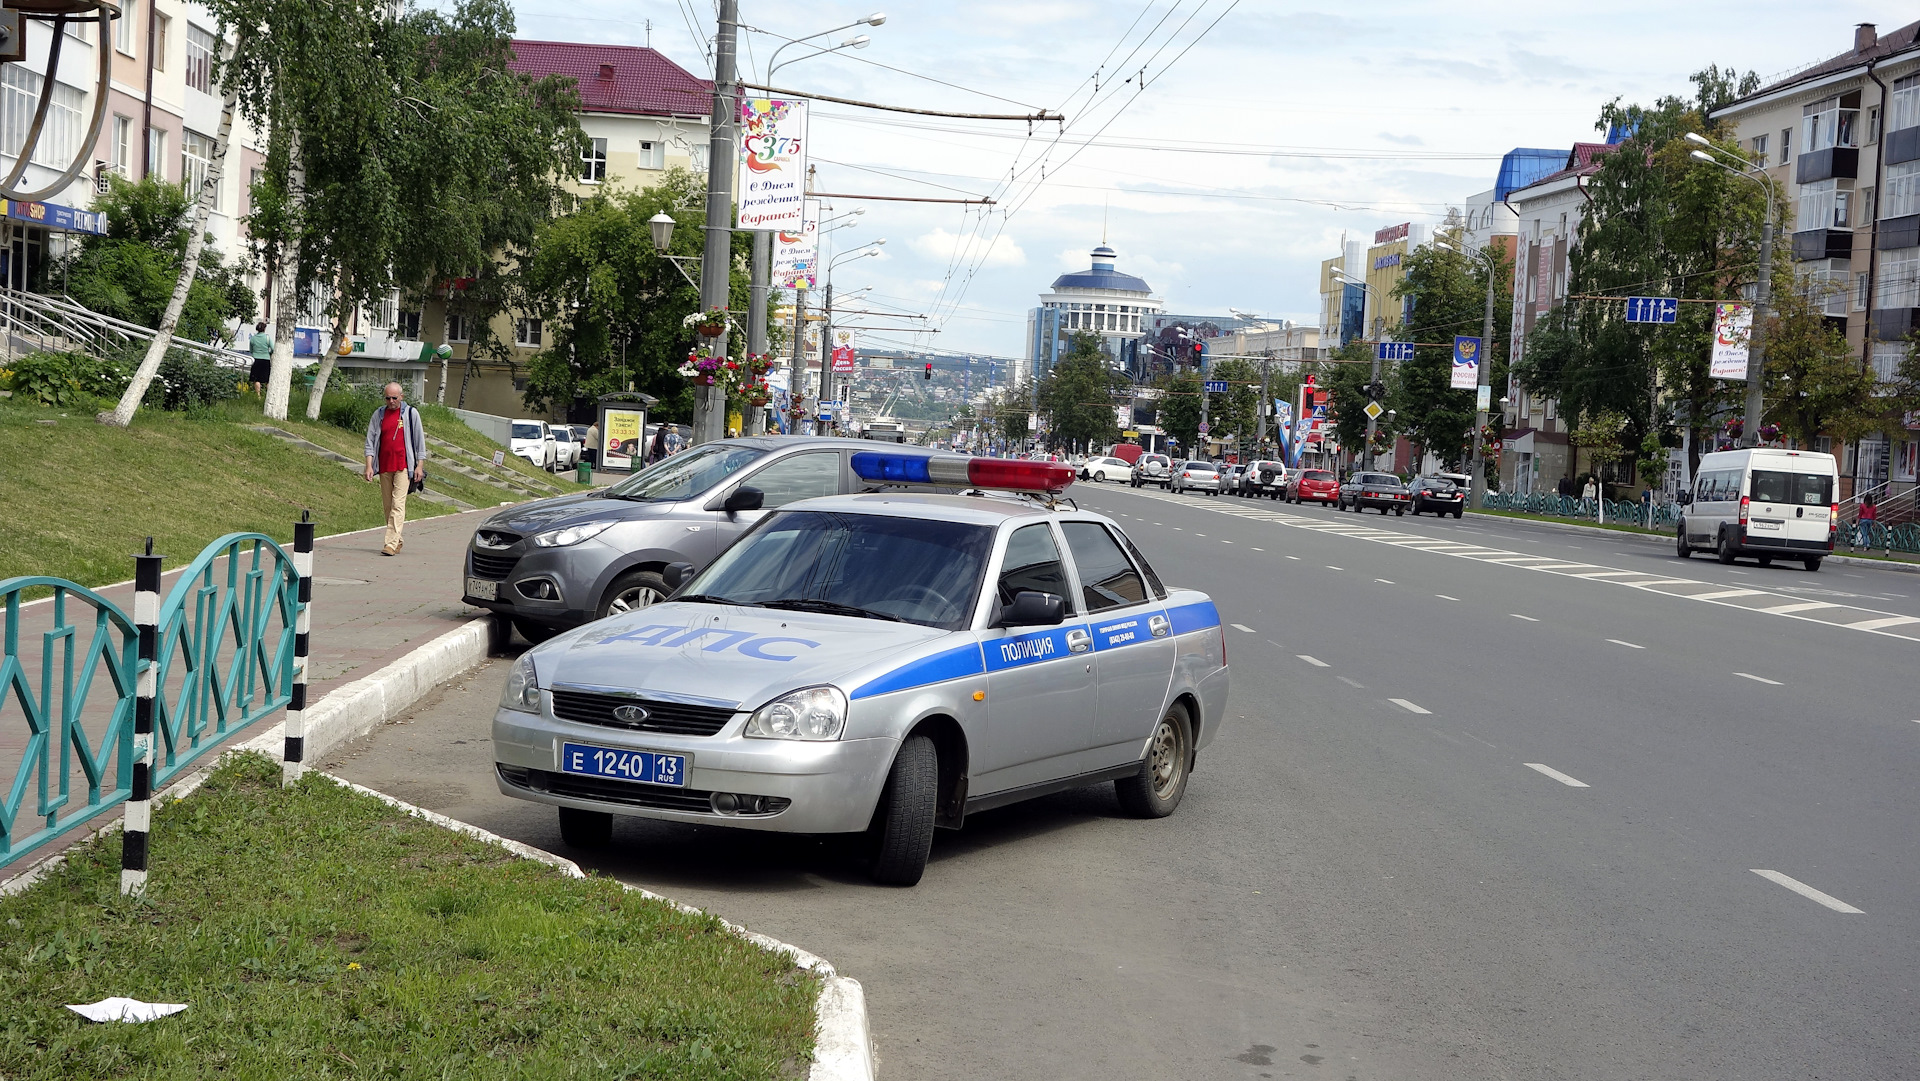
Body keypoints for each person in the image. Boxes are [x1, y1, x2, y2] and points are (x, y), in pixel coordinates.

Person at [363, 383, 425, 556]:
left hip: (403, 466)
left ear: (401, 397)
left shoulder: (411, 414)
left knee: (398, 504)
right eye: (388, 398)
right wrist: (369, 465)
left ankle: (390, 544)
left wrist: (419, 465)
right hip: (384, 465)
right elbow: (370, 442)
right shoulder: (379, 415)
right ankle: (398, 539)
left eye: (394, 398)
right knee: (388, 506)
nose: (391, 401)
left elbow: (420, 442)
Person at [247, 321, 272, 394]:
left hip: (256, 359)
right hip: (266, 359)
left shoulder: (253, 338)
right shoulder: (267, 338)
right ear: (264, 329)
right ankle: (269, 394)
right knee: (267, 379)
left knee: (256, 379)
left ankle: (258, 395)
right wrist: (268, 353)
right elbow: (273, 348)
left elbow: (251, 350)